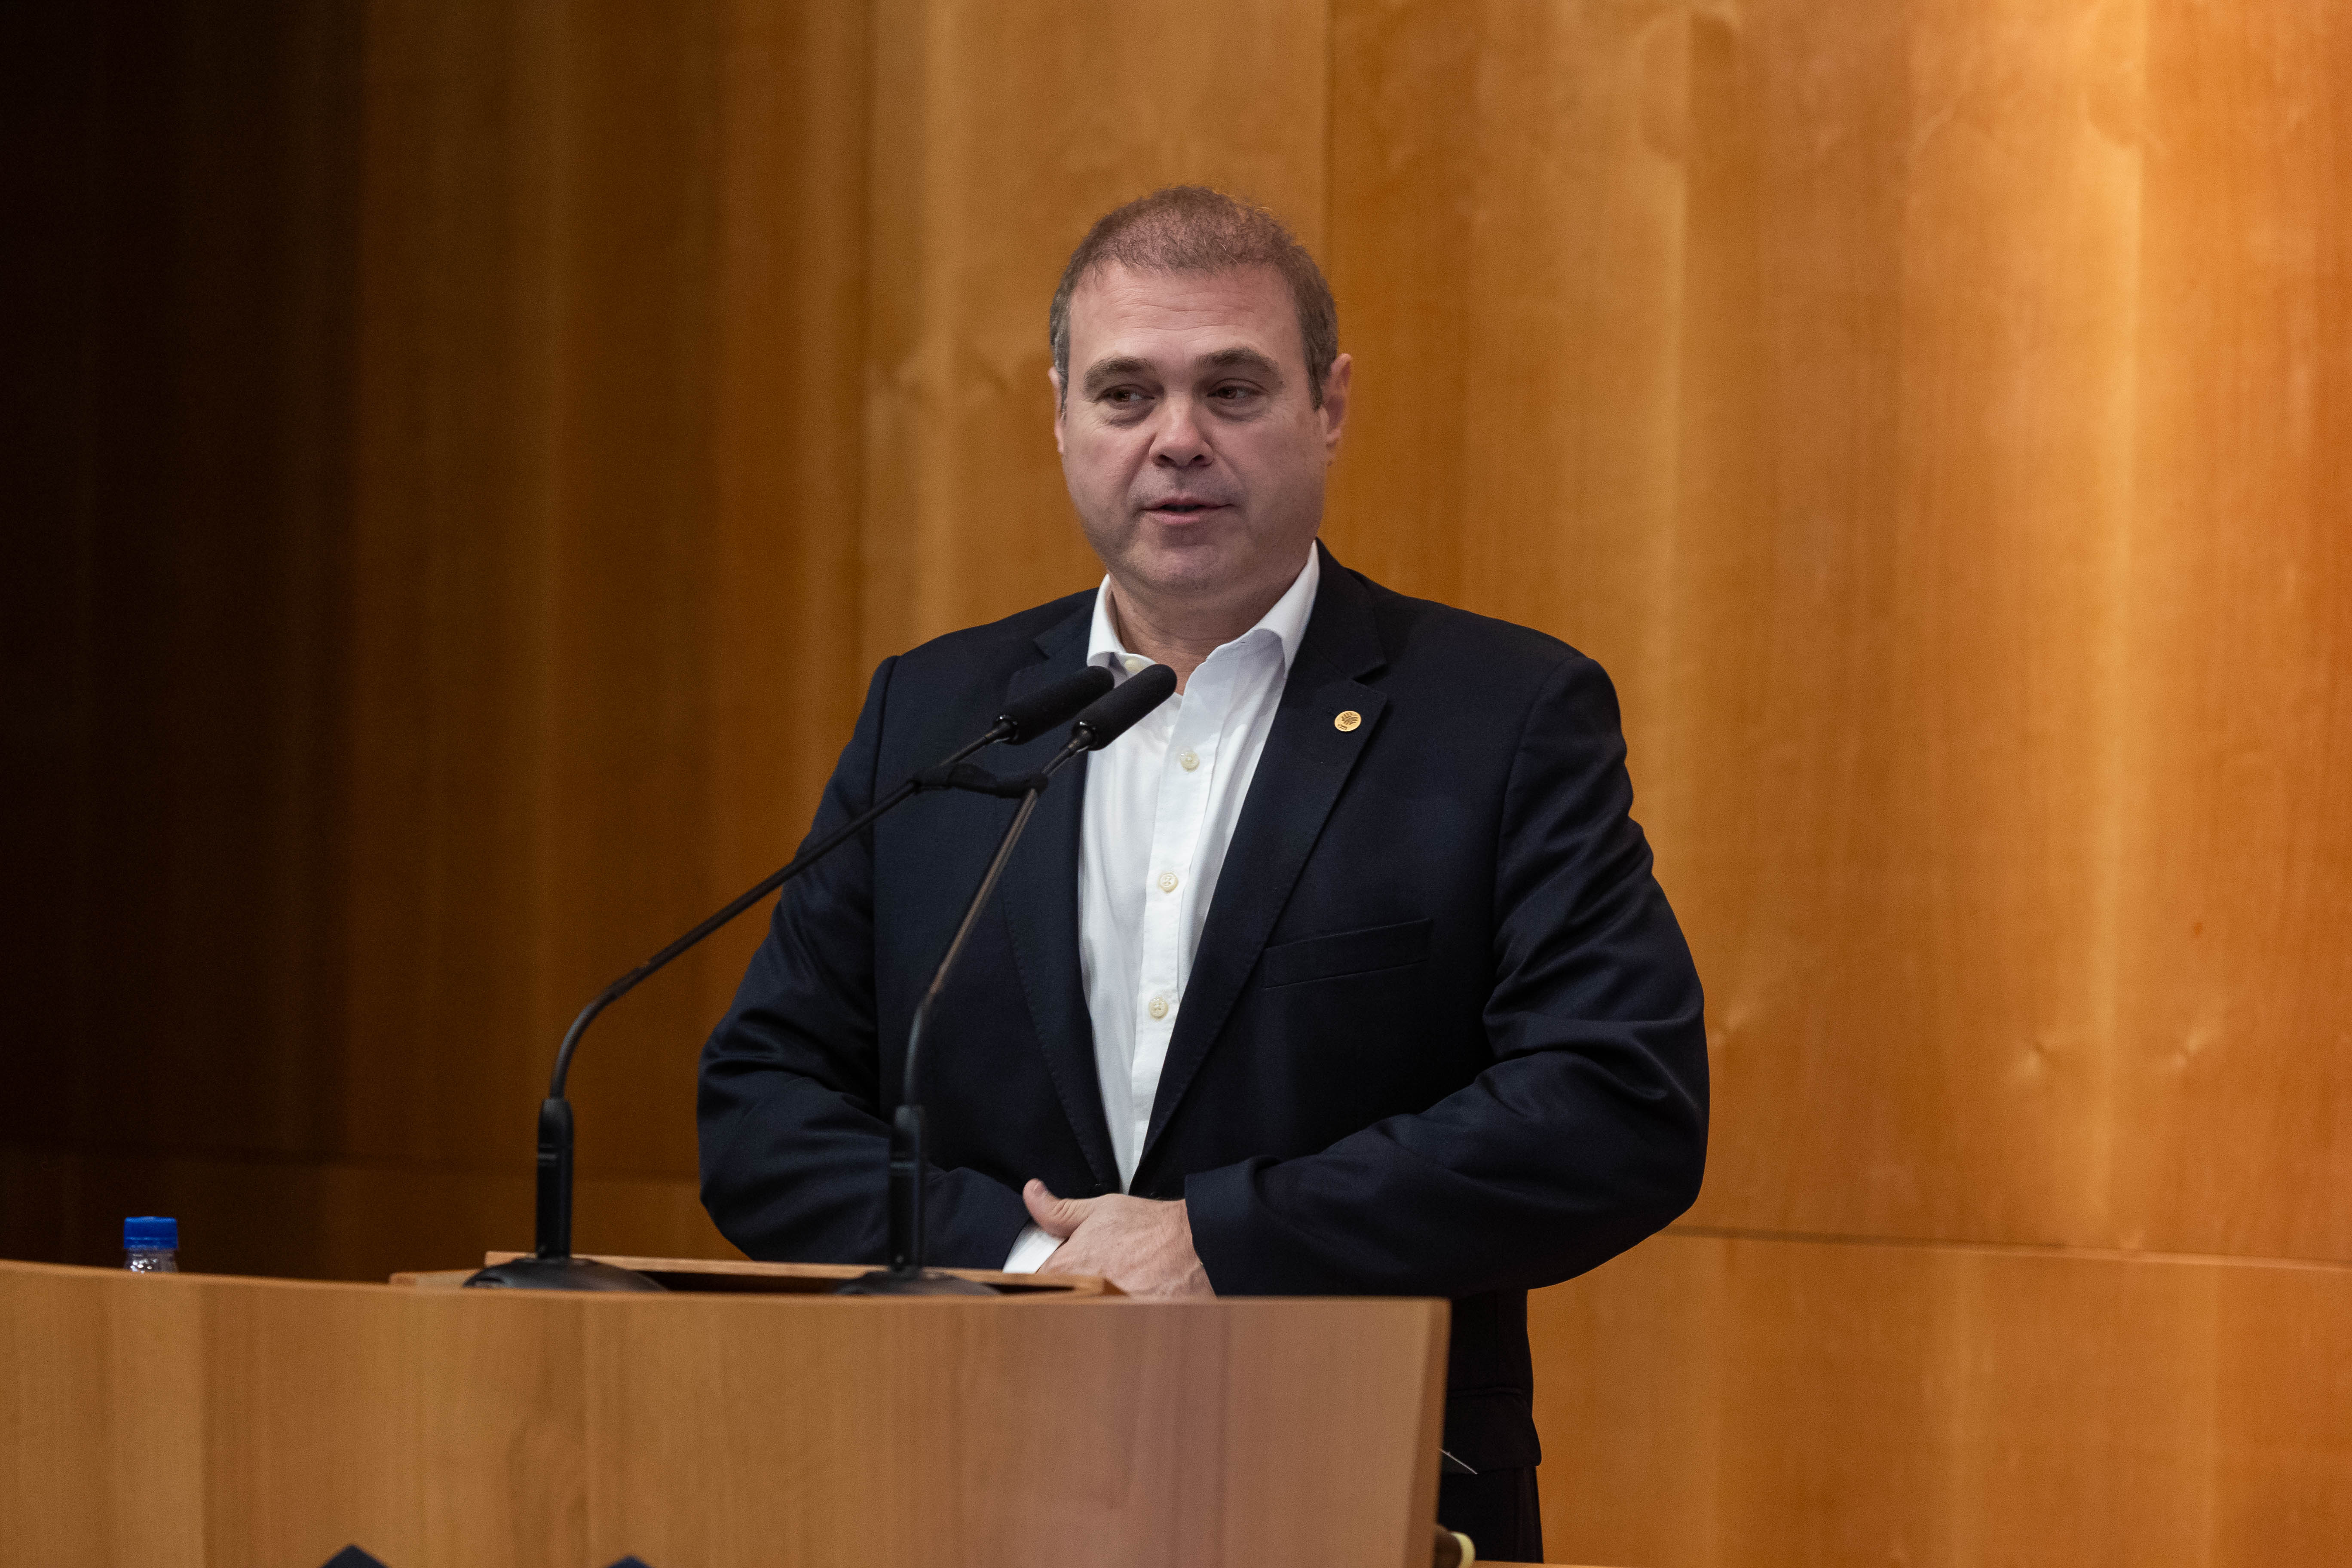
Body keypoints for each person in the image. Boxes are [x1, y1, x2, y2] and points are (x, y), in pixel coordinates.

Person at [698, 185, 1708, 1561]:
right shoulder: (936, 720)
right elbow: (762, 1108)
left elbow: (1614, 1105)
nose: (1177, 438)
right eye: (1127, 394)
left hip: (1360, 1485)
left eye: (1232, 389)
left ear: (1329, 406)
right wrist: (1032, 1264)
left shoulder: (1501, 717)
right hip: (960, 1475)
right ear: (1061, 416)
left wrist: (1222, 1242)